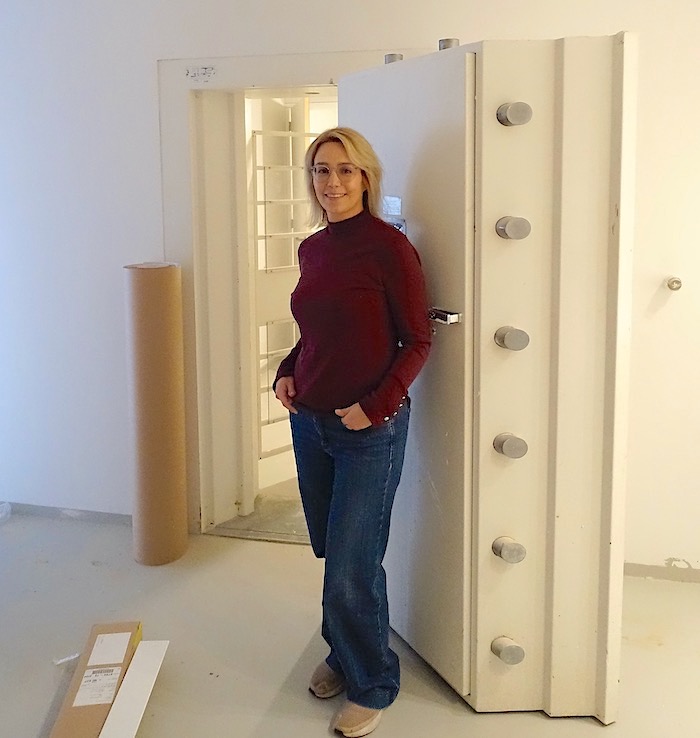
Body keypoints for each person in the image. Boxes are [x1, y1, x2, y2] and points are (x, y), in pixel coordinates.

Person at [274, 127, 431, 737]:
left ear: (366, 177)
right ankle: (344, 652)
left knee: (351, 563)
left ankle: (374, 683)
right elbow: (317, 333)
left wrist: (377, 406)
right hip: (310, 424)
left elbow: (417, 340)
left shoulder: (389, 248)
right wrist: (287, 370)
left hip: (369, 430)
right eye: (321, 170)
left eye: (345, 170)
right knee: (330, 548)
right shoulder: (314, 249)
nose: (332, 181)